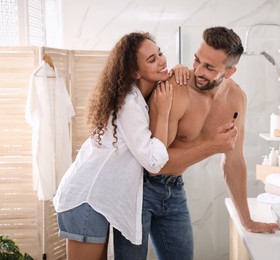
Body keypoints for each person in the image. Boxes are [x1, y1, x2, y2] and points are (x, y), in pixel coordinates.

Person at [52, 32, 238, 260]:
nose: (161, 60)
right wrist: (164, 113)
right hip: (86, 198)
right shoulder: (129, 104)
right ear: (135, 72)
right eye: (151, 60)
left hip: (97, 200)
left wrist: (182, 69)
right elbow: (154, 162)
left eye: (159, 53)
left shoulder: (140, 96)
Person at [114, 27, 280, 260]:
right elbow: (156, 166)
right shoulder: (175, 87)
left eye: (209, 67)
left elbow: (233, 161)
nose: (197, 71)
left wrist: (247, 220)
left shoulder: (237, 99)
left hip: (174, 189)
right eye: (196, 60)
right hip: (138, 188)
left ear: (229, 71)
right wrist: (213, 145)